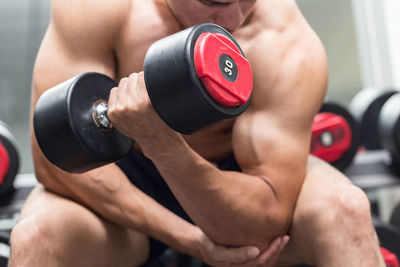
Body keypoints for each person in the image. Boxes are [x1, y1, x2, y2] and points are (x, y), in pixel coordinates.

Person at [9, 0, 384, 266]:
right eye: (212, 2)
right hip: (127, 180)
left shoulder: (285, 43)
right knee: (38, 234)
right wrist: (188, 238)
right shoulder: (100, 8)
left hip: (237, 178)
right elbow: (54, 157)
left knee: (345, 211)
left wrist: (165, 144)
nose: (234, 19)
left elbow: (264, 219)